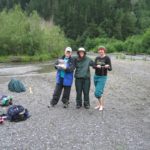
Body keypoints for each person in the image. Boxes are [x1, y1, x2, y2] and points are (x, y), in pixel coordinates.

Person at [93, 46, 112, 111]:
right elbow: (93, 66)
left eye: (102, 50)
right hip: (96, 76)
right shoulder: (97, 58)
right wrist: (96, 66)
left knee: (97, 92)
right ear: (98, 51)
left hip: (103, 77)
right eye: (99, 50)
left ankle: (101, 105)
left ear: (104, 51)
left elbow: (110, 68)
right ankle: (99, 104)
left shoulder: (107, 58)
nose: (101, 51)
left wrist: (107, 67)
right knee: (99, 91)